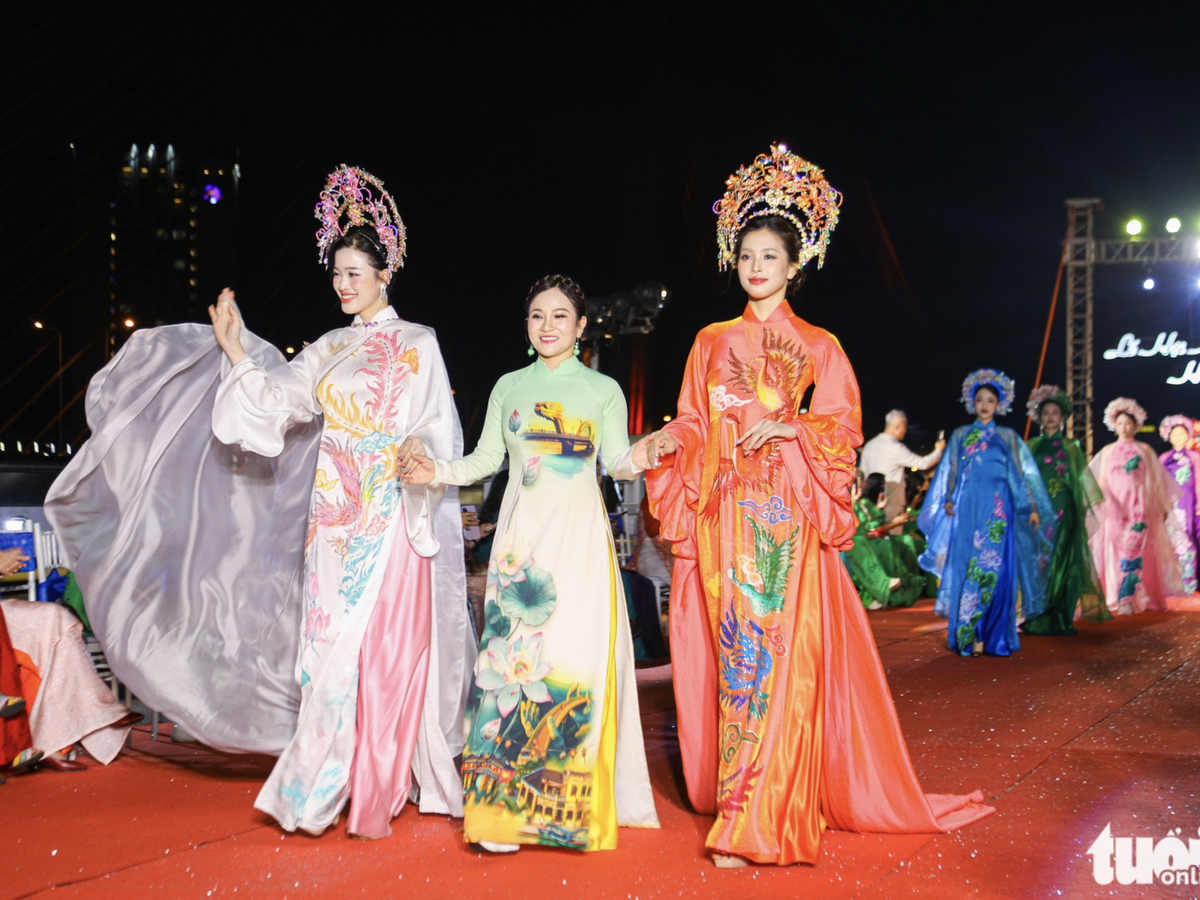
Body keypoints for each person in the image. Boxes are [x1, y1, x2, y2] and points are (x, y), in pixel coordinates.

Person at [46, 166, 472, 839]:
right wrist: (236, 350)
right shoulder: (329, 349)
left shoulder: (419, 344)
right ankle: (323, 784)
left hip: (390, 513)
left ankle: (379, 783)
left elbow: (434, 432)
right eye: (337, 274)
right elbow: (276, 403)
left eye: (356, 273)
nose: (343, 284)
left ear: (384, 273)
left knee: (387, 651)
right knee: (327, 655)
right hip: (332, 520)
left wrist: (419, 464)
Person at [641, 145, 992, 868]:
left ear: (796, 264)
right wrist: (661, 442)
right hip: (723, 514)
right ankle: (743, 796)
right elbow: (695, 420)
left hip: (784, 516)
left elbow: (840, 430)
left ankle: (758, 818)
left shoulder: (820, 346)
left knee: (774, 660)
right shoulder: (709, 341)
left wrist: (791, 426)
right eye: (747, 254)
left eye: (771, 255)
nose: (758, 265)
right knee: (736, 660)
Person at [401, 274, 659, 852]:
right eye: (537, 315)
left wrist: (645, 452)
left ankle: (566, 811)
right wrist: (434, 473)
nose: (547, 325)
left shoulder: (604, 390)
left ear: (582, 325)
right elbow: (485, 461)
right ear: (526, 324)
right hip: (521, 551)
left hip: (582, 547)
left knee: (572, 665)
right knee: (511, 668)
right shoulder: (508, 387)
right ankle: (500, 815)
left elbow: (617, 461)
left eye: (560, 316)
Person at [918, 370, 1056, 657]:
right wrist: (948, 499)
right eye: (979, 399)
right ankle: (970, 635)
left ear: (999, 404)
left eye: (990, 400)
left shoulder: (1008, 436)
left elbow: (1020, 475)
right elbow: (952, 471)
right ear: (971, 402)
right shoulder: (960, 434)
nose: (984, 404)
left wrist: (1030, 507)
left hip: (999, 508)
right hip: (969, 506)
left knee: (996, 567)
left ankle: (991, 635)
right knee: (970, 565)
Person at [1020, 386, 1109, 635]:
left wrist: (1079, 512)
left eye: (1055, 412)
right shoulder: (1031, 445)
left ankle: (1059, 616)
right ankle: (1037, 614)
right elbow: (1023, 479)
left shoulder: (1071, 446)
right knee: (1039, 562)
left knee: (1061, 560)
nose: (1050, 417)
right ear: (1039, 417)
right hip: (1038, 512)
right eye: (1046, 412)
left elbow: (1080, 482)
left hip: (1064, 511)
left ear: (1062, 417)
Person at [1088, 399, 1184, 614]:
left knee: (1135, 548)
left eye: (1127, 423)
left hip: (1138, 506)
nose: (1124, 427)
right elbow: (1101, 480)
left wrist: (1160, 503)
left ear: (1135, 425)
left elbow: (1156, 479)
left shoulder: (1144, 450)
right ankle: (1115, 595)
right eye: (1120, 423)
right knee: (1115, 549)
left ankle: (1130, 598)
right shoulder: (1107, 451)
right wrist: (1100, 503)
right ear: (1114, 425)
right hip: (1114, 507)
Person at [859, 410, 945, 534]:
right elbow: (923, 463)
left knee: (874, 537)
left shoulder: (869, 446)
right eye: (904, 428)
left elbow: (862, 474)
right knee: (891, 545)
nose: (905, 432)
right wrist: (938, 451)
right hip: (891, 505)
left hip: (871, 505)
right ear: (897, 427)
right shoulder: (896, 448)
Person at [844, 472, 920, 609]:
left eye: (862, 484)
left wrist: (878, 508)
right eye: (857, 484)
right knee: (873, 544)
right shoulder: (845, 503)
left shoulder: (864, 503)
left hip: (870, 537)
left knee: (904, 540)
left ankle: (902, 588)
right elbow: (856, 527)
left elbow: (874, 524)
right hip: (855, 540)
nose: (860, 487)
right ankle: (879, 590)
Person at [1158, 414, 1200, 593]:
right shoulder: (1164, 457)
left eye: (1182, 434)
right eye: (1175, 434)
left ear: (1188, 436)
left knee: (1187, 537)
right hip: (1170, 503)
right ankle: (1171, 583)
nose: (1178, 437)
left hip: (1188, 502)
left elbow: (1198, 479)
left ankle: (1188, 582)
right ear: (1168, 436)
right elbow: (1158, 481)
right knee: (1169, 539)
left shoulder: (1194, 457)